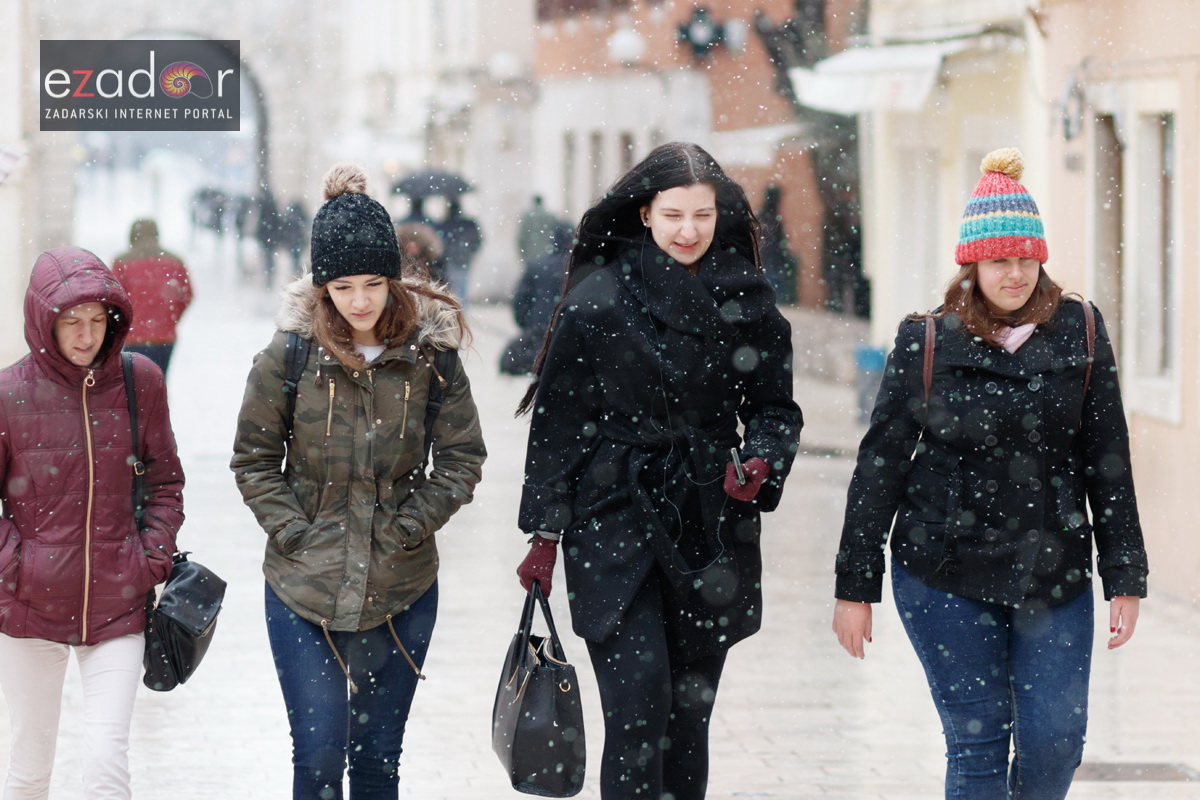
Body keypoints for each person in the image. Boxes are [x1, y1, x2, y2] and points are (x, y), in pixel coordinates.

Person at [831, 148, 1149, 799]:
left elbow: (1107, 462)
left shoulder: (1081, 333)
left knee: (1055, 743)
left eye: (1027, 258)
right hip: (944, 570)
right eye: (1000, 259)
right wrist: (854, 585)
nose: (1015, 273)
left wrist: (1126, 575)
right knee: (977, 744)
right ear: (971, 262)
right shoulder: (926, 341)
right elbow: (880, 467)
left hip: (1052, 569)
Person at [514, 142, 803, 800]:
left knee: (688, 720)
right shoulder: (599, 299)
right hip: (613, 519)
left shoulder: (749, 299)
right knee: (638, 711)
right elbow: (558, 423)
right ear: (644, 213)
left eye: (702, 214)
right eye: (673, 214)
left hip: (710, 521)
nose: (689, 230)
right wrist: (545, 535)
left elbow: (775, 409)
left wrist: (760, 459)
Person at [230, 164, 486, 800]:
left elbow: (461, 457)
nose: (361, 301)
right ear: (322, 288)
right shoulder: (287, 357)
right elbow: (253, 457)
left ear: (393, 279)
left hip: (400, 586)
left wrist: (407, 525)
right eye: (343, 286)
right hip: (301, 587)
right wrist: (293, 529)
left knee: (377, 765)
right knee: (317, 759)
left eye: (374, 283)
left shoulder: (431, 358)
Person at [0, 247, 185, 800]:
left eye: (97, 320)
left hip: (117, 604)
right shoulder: (8, 394)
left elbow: (165, 482)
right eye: (71, 322)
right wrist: (15, 565)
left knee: (107, 761)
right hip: (28, 609)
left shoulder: (140, 382)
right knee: (31, 766)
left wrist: (147, 559)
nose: (86, 336)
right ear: (43, 321)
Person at [111, 218, 194, 375]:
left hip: (133, 336)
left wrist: (122, 324)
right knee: (160, 382)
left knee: (133, 386)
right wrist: (172, 318)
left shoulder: (122, 262)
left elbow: (114, 299)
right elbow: (187, 296)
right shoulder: (175, 261)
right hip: (165, 336)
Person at [499, 219, 572, 375]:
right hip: (566, 329)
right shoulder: (575, 267)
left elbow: (520, 300)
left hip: (538, 327)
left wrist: (526, 323)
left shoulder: (536, 266)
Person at [436, 198, 482, 303]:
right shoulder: (469, 224)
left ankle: (455, 309)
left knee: (451, 288)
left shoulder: (445, 224)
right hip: (464, 259)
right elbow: (477, 241)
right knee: (462, 287)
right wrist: (470, 252)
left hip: (449, 260)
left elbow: (440, 241)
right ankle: (462, 311)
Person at [516, 194, 558, 267]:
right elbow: (557, 235)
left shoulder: (527, 217)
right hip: (547, 254)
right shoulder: (550, 216)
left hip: (531, 255)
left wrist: (523, 255)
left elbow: (521, 238)